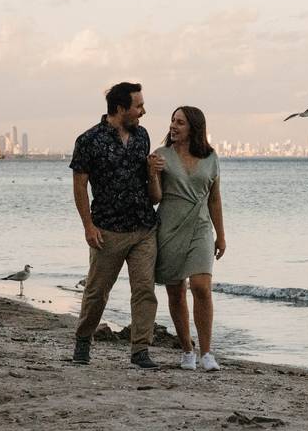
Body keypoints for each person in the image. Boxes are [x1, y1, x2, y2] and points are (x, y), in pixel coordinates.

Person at [69, 82, 161, 370]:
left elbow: (147, 182)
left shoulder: (142, 136)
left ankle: (140, 350)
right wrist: (88, 226)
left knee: (145, 289)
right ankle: (83, 341)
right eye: (138, 106)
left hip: (144, 227)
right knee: (97, 292)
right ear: (120, 108)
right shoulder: (88, 140)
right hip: (107, 229)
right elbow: (80, 186)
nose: (143, 111)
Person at [148, 106, 226, 371]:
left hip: (202, 226)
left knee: (201, 287)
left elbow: (215, 198)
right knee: (176, 291)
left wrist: (221, 235)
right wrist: (152, 173)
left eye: (180, 122)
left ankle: (207, 353)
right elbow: (155, 198)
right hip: (169, 225)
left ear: (193, 127)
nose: (173, 126)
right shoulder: (161, 155)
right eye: (172, 121)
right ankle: (187, 351)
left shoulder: (211, 157)